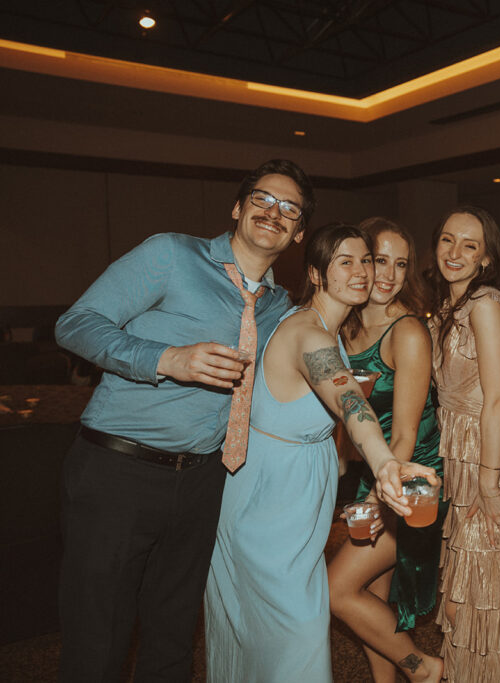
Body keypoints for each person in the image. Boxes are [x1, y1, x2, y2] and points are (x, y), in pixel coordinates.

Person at [54, 159, 312, 681]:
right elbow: (74, 324)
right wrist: (164, 358)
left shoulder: (279, 307)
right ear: (237, 208)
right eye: (262, 199)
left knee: (172, 639)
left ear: (298, 233)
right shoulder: (171, 254)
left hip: (202, 481)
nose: (273, 212)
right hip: (117, 471)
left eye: (290, 209)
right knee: (98, 639)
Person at [204, 222, 438, 682]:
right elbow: (348, 399)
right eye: (345, 262)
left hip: (295, 498)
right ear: (315, 273)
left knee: (269, 628)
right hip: (269, 504)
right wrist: (385, 462)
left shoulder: (330, 329)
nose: (363, 272)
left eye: (366, 261)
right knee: (298, 629)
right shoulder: (309, 333)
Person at [327, 218, 446, 683]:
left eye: (401, 264)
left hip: (411, 479)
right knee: (371, 597)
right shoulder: (343, 327)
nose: (389, 275)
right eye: (380, 260)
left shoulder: (409, 332)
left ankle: (424, 667)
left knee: (337, 590)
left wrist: (379, 498)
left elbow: (403, 438)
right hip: (369, 474)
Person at [426, 206, 500, 681]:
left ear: (486, 258)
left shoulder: (485, 304)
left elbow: (495, 400)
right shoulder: (449, 303)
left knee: (479, 600)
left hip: (485, 458)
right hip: (455, 453)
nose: (455, 252)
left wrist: (489, 485)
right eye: (448, 240)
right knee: (462, 602)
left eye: (469, 245)